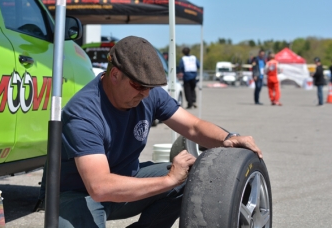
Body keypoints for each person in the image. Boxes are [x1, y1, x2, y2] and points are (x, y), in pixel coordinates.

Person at [40, 36, 262, 228]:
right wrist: (168, 180)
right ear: (115, 74)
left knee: (190, 178)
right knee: (173, 178)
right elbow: (99, 187)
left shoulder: (148, 93)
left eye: (150, 87)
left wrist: (228, 138)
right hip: (77, 195)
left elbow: (193, 126)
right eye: (139, 86)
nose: (146, 94)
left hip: (126, 181)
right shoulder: (83, 113)